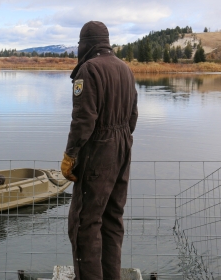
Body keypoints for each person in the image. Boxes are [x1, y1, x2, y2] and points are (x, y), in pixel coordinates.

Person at [60, 21, 138, 280]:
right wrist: (120, 142)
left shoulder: (88, 70)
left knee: (84, 223)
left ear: (86, 43)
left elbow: (83, 120)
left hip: (98, 150)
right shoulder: (125, 69)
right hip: (123, 148)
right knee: (112, 219)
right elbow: (133, 117)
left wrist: (70, 155)